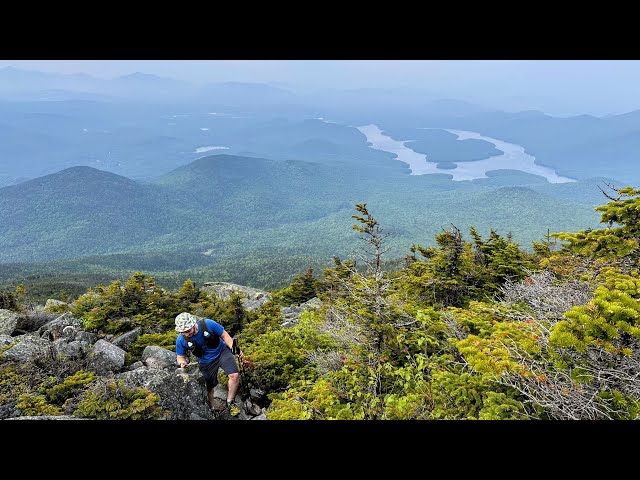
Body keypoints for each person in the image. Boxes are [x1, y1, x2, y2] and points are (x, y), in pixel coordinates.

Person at [174, 311, 244, 417]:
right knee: (209, 387)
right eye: (183, 331)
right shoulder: (181, 340)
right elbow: (180, 357)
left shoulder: (208, 324)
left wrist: (235, 349)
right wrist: (182, 363)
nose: (186, 334)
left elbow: (225, 335)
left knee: (234, 375)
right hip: (205, 361)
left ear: (193, 324)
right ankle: (211, 408)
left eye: (187, 330)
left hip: (222, 352)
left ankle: (230, 402)